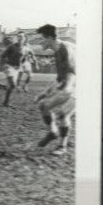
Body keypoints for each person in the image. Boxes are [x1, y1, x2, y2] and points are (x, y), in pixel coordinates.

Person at [32, 23, 76, 154]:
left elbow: (73, 72)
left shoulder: (66, 49)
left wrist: (67, 91)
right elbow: (60, 78)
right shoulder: (57, 52)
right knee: (43, 105)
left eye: (41, 39)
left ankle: (62, 146)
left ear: (50, 38)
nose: (39, 42)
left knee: (63, 114)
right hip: (70, 84)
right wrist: (45, 92)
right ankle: (53, 132)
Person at [0, 36, 23, 107]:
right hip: (9, 67)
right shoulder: (11, 46)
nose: (21, 39)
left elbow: (21, 58)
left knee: (10, 87)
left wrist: (21, 65)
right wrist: (2, 64)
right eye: (19, 37)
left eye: (22, 37)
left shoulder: (23, 48)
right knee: (12, 85)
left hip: (16, 69)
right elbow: (2, 56)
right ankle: (6, 102)